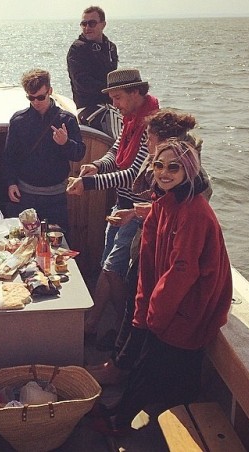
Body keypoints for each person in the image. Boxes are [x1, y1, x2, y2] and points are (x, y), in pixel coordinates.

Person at [90, 139, 232, 436]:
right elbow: (149, 262)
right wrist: (144, 308)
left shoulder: (194, 212)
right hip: (168, 299)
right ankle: (131, 416)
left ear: (189, 171)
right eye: (158, 165)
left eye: (173, 167)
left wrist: (155, 316)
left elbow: (183, 271)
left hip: (191, 303)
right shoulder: (163, 203)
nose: (164, 173)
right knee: (150, 358)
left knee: (156, 362)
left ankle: (127, 420)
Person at [87, 109, 212, 383]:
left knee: (137, 300)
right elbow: (160, 204)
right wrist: (133, 213)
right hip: (150, 239)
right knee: (134, 298)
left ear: (165, 141)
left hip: (162, 250)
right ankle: (120, 360)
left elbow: (174, 213)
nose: (146, 143)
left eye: (150, 137)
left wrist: (133, 212)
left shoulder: (187, 181)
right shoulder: (172, 164)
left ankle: (121, 367)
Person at [67, 68, 159, 346]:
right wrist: (96, 165)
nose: (114, 104)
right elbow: (116, 151)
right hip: (122, 202)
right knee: (106, 265)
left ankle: (124, 330)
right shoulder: (130, 119)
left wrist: (90, 183)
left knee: (112, 268)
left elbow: (134, 173)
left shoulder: (152, 126)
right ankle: (93, 323)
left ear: (135, 93)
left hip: (137, 208)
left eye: (118, 98)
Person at [4, 69, 86, 234]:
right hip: (25, 195)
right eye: (31, 97)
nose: (36, 102)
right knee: (23, 241)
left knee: (59, 245)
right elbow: (9, 156)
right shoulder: (18, 121)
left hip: (56, 197)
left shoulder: (67, 120)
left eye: (40, 97)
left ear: (50, 91)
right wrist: (11, 182)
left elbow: (78, 154)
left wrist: (65, 143)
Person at [67, 6, 120, 138]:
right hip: (88, 106)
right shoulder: (77, 49)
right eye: (84, 24)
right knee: (118, 126)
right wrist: (110, 91)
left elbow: (113, 77)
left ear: (103, 24)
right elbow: (82, 83)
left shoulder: (110, 48)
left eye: (92, 23)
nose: (87, 27)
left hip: (112, 103)